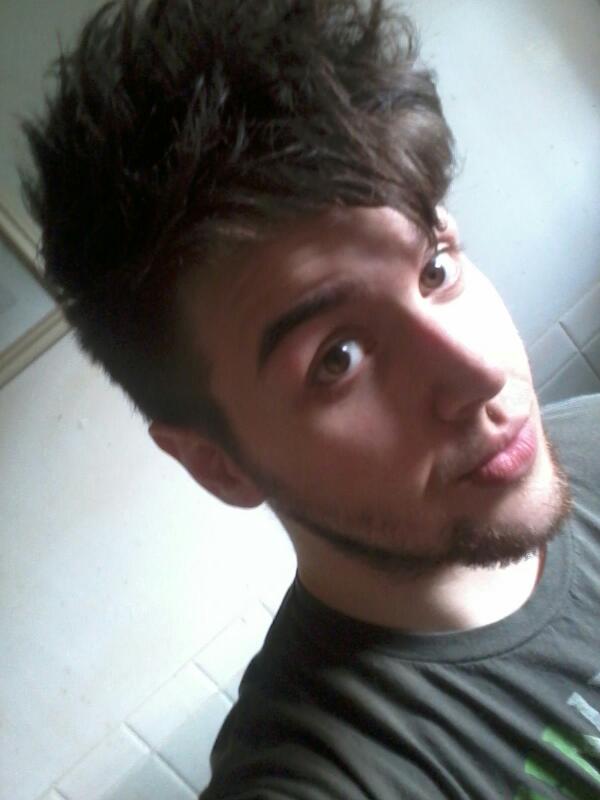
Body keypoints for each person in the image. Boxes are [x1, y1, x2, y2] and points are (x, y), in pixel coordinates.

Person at [22, 0, 600, 797]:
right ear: (219, 464)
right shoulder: (322, 771)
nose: (479, 374)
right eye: (338, 358)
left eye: (435, 268)